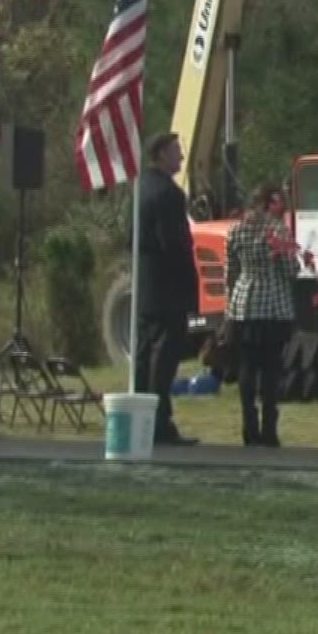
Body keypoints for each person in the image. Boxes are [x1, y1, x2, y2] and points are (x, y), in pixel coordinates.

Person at [135, 132, 200, 446]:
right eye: (176, 152)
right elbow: (176, 244)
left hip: (145, 286)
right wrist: (191, 286)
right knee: (163, 359)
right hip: (168, 289)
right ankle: (159, 423)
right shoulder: (169, 195)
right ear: (161, 154)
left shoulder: (139, 188)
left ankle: (142, 415)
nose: (182, 158)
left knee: (145, 356)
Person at [226, 183, 298, 447]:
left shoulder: (236, 230)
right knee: (270, 369)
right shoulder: (277, 230)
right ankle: (269, 428)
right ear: (270, 203)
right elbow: (291, 269)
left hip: (244, 303)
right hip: (273, 306)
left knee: (247, 366)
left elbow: (230, 271)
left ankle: (248, 424)